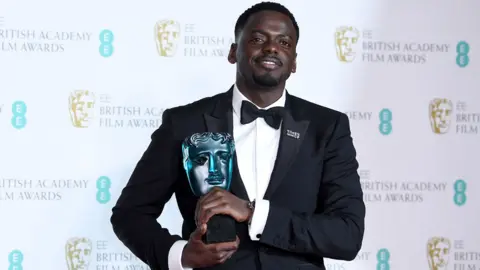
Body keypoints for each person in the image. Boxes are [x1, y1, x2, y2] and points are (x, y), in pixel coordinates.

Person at [110, 2, 366, 270]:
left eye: (285, 42)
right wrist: (181, 255)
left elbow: (347, 235)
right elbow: (130, 214)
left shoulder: (327, 127)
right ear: (233, 52)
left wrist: (254, 213)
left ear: (294, 63)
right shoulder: (184, 123)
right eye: (257, 39)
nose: (272, 48)